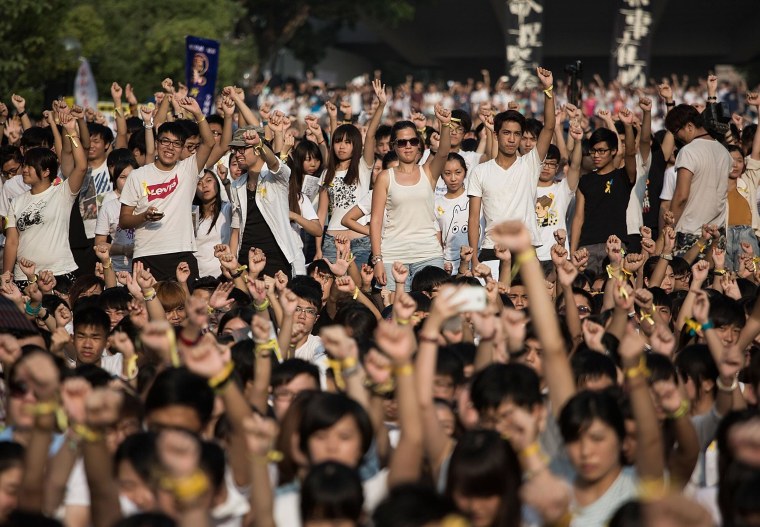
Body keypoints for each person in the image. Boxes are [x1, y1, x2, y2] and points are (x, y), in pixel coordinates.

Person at [467, 67, 556, 271]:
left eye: (517, 134)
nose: (512, 138)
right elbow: (473, 219)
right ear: (496, 135)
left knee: (527, 302)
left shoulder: (530, 164)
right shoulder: (480, 171)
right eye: (506, 133)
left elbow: (549, 127)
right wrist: (474, 259)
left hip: (525, 249)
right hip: (491, 248)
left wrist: (548, 89)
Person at [119, 97, 215, 282]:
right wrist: (144, 216)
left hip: (181, 252)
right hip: (146, 254)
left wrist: (198, 113)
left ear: (182, 148)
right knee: (146, 310)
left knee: (186, 310)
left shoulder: (188, 169)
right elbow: (124, 220)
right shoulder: (137, 176)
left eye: (176, 143)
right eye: (165, 141)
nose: (170, 148)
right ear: (157, 143)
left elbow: (209, 143)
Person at [370, 103, 451, 291]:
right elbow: (375, 220)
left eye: (413, 141)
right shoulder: (385, 177)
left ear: (419, 144)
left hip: (429, 253)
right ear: (393, 147)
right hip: (393, 255)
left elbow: (444, 152)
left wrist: (445, 125)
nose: (408, 146)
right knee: (395, 313)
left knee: (433, 310)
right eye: (402, 142)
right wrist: (378, 259)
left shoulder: (429, 172)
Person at [3, 114, 86, 283]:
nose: (25, 170)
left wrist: (71, 131)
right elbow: (12, 241)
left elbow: (82, 166)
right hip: (23, 276)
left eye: (31, 166)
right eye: (25, 165)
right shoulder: (17, 201)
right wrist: (6, 274)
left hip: (59, 272)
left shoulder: (62, 192)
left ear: (47, 171)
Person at [571, 111, 637, 275]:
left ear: (613, 151)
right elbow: (578, 218)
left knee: (615, 292)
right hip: (588, 247)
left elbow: (629, 153)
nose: (596, 156)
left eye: (602, 151)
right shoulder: (585, 180)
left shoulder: (623, 176)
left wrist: (627, 126)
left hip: (616, 245)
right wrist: (573, 251)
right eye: (593, 151)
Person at [664, 104, 732, 253]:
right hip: (717, 235)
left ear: (689, 126)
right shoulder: (724, 152)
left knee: (684, 276)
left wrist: (669, 228)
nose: (676, 138)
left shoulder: (688, 151)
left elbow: (681, 196)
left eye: (676, 132)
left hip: (690, 233)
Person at [94, 149, 138, 274]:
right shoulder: (108, 207)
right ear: (114, 179)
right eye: (122, 177)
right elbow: (99, 244)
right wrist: (124, 250)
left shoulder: (148, 204)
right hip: (118, 270)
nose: (128, 181)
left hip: (145, 269)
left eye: (132, 177)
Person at [192, 169, 232, 278]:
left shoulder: (227, 209)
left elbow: (237, 204)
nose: (204, 185)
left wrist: (225, 181)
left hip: (223, 274)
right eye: (199, 183)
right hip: (198, 276)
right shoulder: (192, 212)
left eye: (208, 180)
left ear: (217, 183)